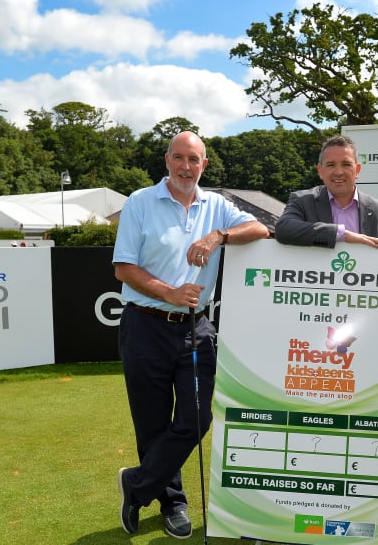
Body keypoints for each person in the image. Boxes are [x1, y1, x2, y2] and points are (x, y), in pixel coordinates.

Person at [112, 131, 269, 539]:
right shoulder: (139, 202)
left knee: (196, 417)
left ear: (204, 165)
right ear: (167, 160)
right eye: (179, 158)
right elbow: (124, 268)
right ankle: (173, 504)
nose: (186, 167)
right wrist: (168, 291)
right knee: (152, 423)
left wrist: (218, 236)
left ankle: (137, 483)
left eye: (194, 160)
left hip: (196, 329)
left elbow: (260, 229)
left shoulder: (216, 205)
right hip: (145, 324)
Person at [275, 135, 378, 247]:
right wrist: (341, 234)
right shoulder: (302, 200)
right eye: (330, 165)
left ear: (358, 170)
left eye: (346, 164)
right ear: (320, 171)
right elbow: (283, 229)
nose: (338, 172)